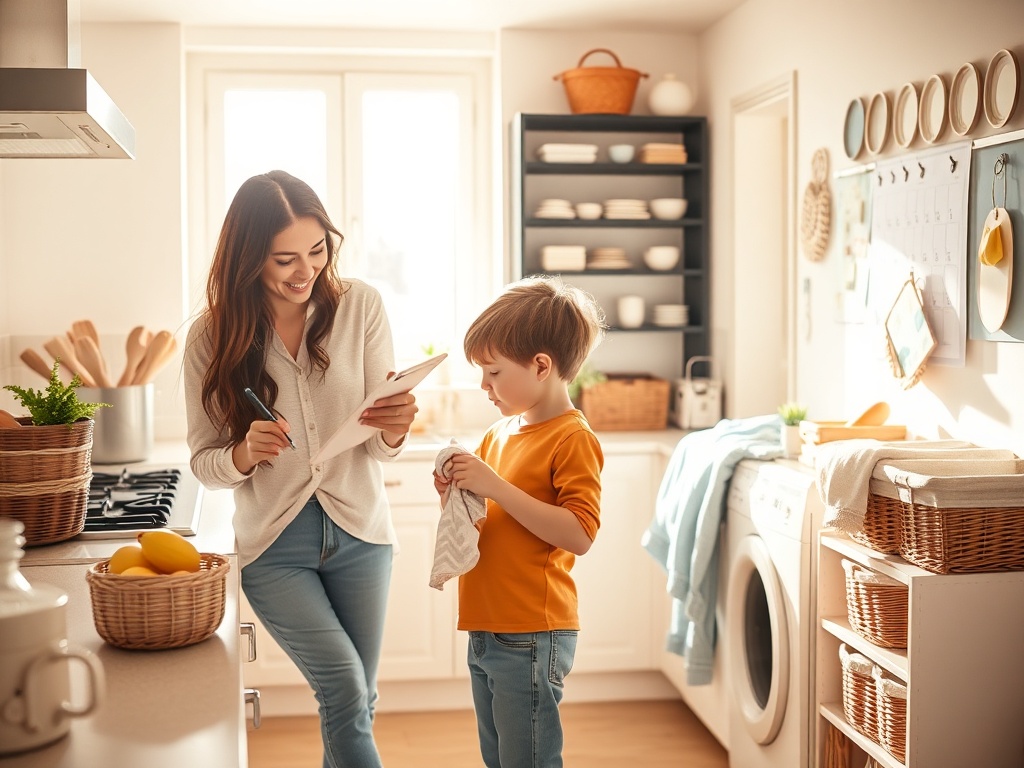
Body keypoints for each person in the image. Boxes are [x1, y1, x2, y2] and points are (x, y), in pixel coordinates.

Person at [183, 170, 417, 768]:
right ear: (246, 258)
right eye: (284, 258)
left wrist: (395, 424)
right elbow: (206, 465)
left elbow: (381, 447)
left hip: (363, 531)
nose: (304, 270)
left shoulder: (360, 305)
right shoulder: (211, 338)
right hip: (274, 547)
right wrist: (244, 454)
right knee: (343, 687)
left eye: (317, 251)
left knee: (357, 700)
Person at [432, 275, 606, 768]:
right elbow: (490, 522)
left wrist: (494, 487)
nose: (483, 385)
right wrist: (456, 496)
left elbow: (580, 533)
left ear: (541, 366)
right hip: (487, 626)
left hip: (531, 631)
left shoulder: (572, 438)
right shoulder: (499, 434)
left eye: (492, 372)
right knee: (501, 759)